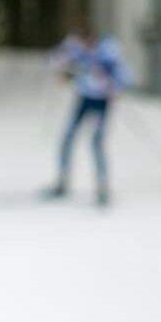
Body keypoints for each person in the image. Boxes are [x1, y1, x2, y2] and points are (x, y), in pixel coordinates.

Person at [44, 21, 132, 207]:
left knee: (96, 142)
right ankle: (62, 181)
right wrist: (63, 68)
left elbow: (123, 77)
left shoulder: (108, 52)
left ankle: (102, 187)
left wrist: (112, 84)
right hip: (84, 99)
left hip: (101, 102)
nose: (83, 46)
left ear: (93, 40)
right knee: (68, 137)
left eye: (86, 42)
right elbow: (53, 60)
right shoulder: (75, 49)